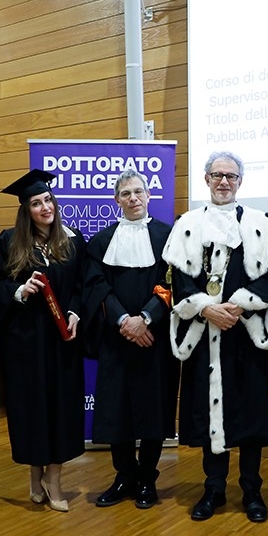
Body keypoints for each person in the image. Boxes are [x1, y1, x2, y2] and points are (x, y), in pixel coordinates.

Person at [162, 151, 268, 523]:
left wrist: (239, 305)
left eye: (231, 176)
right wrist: (204, 307)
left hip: (246, 336)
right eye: (217, 175)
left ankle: (252, 490)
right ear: (206, 179)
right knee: (209, 410)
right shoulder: (187, 224)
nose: (224, 182)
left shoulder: (262, 224)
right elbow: (178, 279)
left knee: (247, 413)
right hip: (204, 336)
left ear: (240, 182)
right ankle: (214, 488)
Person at [0, 169, 85, 512]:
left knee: (58, 408)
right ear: (25, 209)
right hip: (24, 343)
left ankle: (54, 479)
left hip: (60, 344)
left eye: (48, 200)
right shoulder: (9, 242)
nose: (45, 207)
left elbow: (85, 287)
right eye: (37, 203)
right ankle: (34, 473)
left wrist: (75, 312)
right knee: (32, 410)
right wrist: (18, 291)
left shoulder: (72, 241)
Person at [83, 169, 179, 510]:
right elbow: (96, 286)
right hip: (117, 337)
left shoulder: (170, 236)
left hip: (155, 338)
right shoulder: (100, 241)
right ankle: (124, 476)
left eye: (138, 191)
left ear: (150, 195)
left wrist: (147, 318)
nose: (133, 198)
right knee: (116, 409)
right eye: (126, 194)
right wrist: (124, 321)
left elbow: (173, 282)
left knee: (153, 408)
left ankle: (146, 479)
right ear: (116, 200)